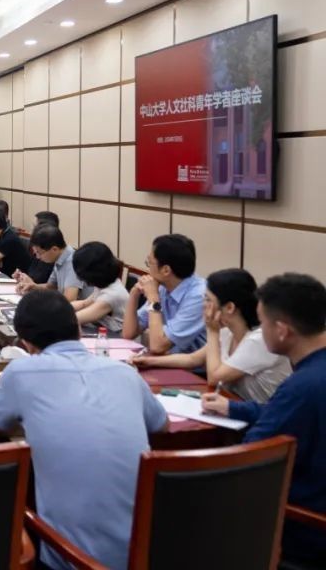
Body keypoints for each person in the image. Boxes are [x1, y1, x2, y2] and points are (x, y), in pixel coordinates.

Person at [0, 290, 168, 570]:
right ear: (79, 330)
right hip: (145, 553)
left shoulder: (20, 372)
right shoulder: (124, 373)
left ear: (26, 343)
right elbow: (162, 426)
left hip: (71, 559)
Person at [200, 273, 326, 567]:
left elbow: (249, 457)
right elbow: (289, 415)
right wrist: (234, 409)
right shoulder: (312, 377)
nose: (260, 330)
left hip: (300, 528)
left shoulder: (302, 387)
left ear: (281, 330)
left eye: (262, 322)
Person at [133, 269, 290, 403]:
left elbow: (215, 378)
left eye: (208, 299)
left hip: (258, 417)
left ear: (229, 307)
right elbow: (193, 359)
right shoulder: (228, 331)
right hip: (229, 405)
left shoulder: (259, 340)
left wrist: (212, 331)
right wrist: (148, 361)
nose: (203, 304)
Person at [123, 234, 207, 354]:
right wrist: (134, 293)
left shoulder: (199, 296)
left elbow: (157, 346)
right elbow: (128, 333)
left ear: (166, 270)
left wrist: (153, 298)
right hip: (170, 360)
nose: (148, 269)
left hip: (197, 365)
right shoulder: (164, 286)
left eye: (149, 263)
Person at [69, 242, 128, 335]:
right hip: (102, 332)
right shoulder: (106, 284)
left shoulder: (112, 295)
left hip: (116, 337)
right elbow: (84, 303)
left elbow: (77, 318)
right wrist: (58, 308)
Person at [14, 224, 85, 301]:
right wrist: (33, 287)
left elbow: (69, 299)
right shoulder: (59, 258)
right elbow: (50, 287)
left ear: (54, 249)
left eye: (39, 253)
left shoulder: (73, 262)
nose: (38, 257)